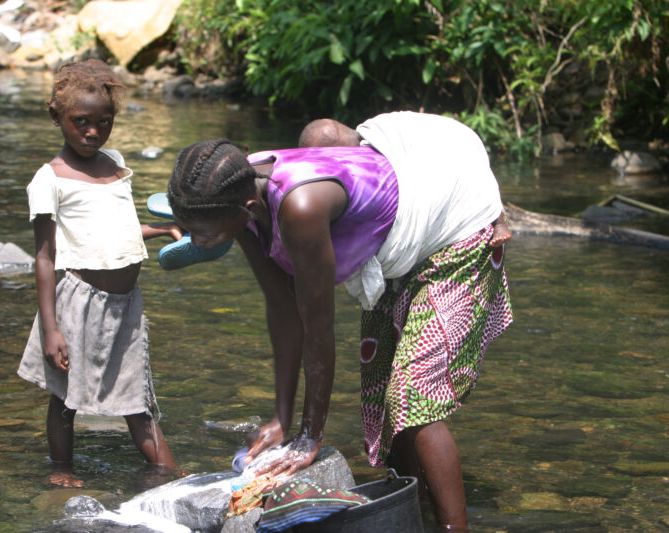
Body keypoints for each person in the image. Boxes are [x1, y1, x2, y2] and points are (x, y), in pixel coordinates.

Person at [167, 111, 513, 530]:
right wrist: (282, 419)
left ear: (249, 207)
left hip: (455, 231)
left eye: (203, 233)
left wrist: (310, 436)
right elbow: (282, 308)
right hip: (400, 242)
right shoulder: (235, 188)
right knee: (383, 387)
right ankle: (413, 507)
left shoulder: (300, 207)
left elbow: (318, 327)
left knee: (412, 397)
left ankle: (453, 527)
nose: (196, 242)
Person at [17, 59, 181, 488]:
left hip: (126, 304)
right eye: (81, 122)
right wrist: (51, 328)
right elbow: (45, 256)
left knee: (136, 398)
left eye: (103, 122)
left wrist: (161, 228)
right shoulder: (49, 179)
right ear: (57, 117)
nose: (93, 132)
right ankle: (61, 470)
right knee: (65, 398)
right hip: (79, 303)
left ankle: (169, 474)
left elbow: (116, 229)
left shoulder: (114, 163)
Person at [298, 117, 512, 248]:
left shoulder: (378, 140)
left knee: (479, 183)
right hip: (439, 147)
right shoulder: (373, 144)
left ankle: (499, 221)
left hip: (458, 144)